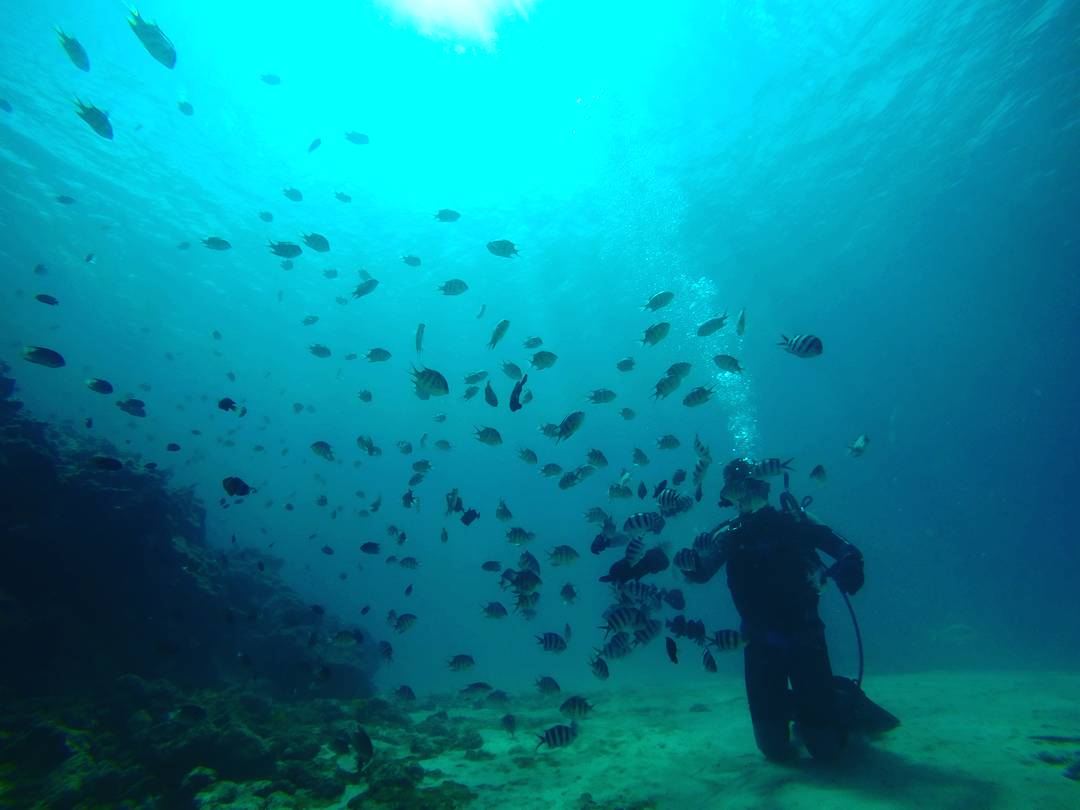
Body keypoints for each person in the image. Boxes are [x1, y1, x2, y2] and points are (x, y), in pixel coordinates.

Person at [674, 457, 895, 762]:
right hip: (758, 642)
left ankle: (841, 699)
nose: (744, 495)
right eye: (736, 489)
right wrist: (688, 564)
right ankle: (802, 705)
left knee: (825, 749)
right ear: (728, 496)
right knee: (772, 749)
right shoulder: (729, 534)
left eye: (750, 487)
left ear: (763, 487)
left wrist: (850, 564)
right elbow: (702, 570)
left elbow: (845, 549)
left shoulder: (795, 521)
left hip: (805, 636)